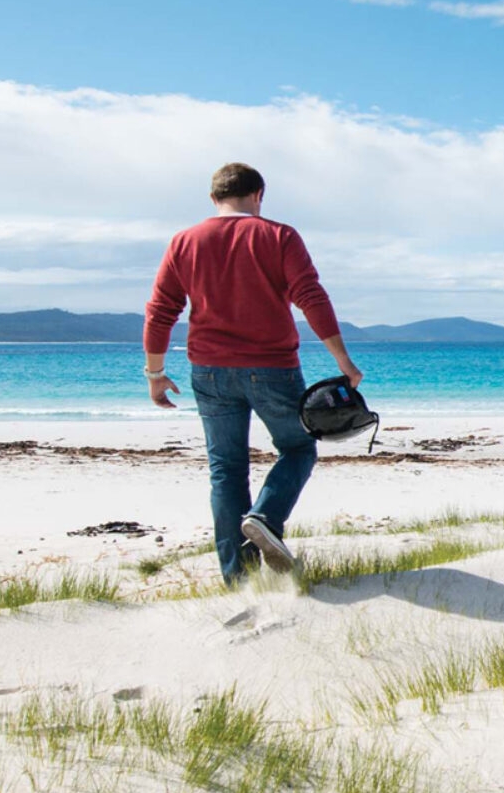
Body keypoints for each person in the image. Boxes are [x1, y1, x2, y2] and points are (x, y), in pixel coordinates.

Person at [143, 163, 362, 583]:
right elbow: (310, 296)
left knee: (226, 467)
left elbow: (160, 310)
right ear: (259, 194)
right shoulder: (278, 235)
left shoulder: (184, 241)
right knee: (298, 449)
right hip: (272, 366)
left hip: (208, 371)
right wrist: (342, 361)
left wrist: (155, 373)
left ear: (214, 199)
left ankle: (237, 578)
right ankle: (265, 516)